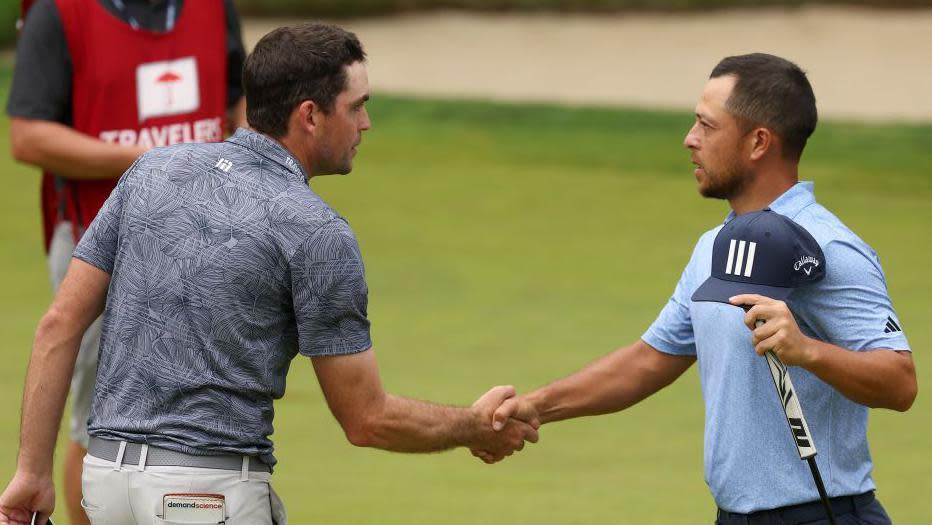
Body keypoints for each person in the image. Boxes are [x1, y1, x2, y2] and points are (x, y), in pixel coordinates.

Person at [0, 21, 539, 525]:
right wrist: (472, 426)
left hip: (106, 487)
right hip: (206, 495)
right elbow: (366, 419)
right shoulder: (317, 231)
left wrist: (30, 472)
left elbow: (59, 325)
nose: (366, 123)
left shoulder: (150, 173)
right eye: (357, 107)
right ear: (310, 115)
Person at [488, 53, 917, 524]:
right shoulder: (716, 246)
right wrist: (533, 407)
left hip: (825, 515)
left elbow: (900, 382)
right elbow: (651, 359)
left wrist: (808, 351)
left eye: (707, 126)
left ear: (758, 142)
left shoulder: (830, 247)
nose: (689, 140)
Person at [6, 1, 246, 523]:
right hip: (98, 239)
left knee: (206, 414)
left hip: (210, 234)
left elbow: (239, 101)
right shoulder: (60, 12)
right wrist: (157, 161)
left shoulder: (212, 7)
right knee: (98, 422)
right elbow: (28, 135)